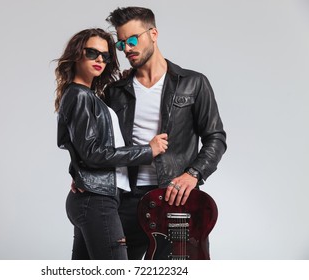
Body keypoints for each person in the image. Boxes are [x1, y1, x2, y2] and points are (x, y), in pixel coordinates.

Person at [104, 7, 227, 259]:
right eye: (121, 44)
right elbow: (104, 146)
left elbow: (215, 137)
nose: (127, 49)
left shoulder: (193, 83)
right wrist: (83, 174)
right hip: (125, 199)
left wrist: (193, 174)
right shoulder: (115, 92)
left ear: (154, 34)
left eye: (133, 40)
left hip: (175, 198)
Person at [55, 28, 168, 260]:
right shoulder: (79, 95)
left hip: (95, 197)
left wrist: (80, 173)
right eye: (92, 53)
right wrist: (147, 151)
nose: (99, 59)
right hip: (96, 201)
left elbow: (84, 151)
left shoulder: (90, 96)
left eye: (105, 56)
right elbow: (93, 153)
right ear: (77, 54)